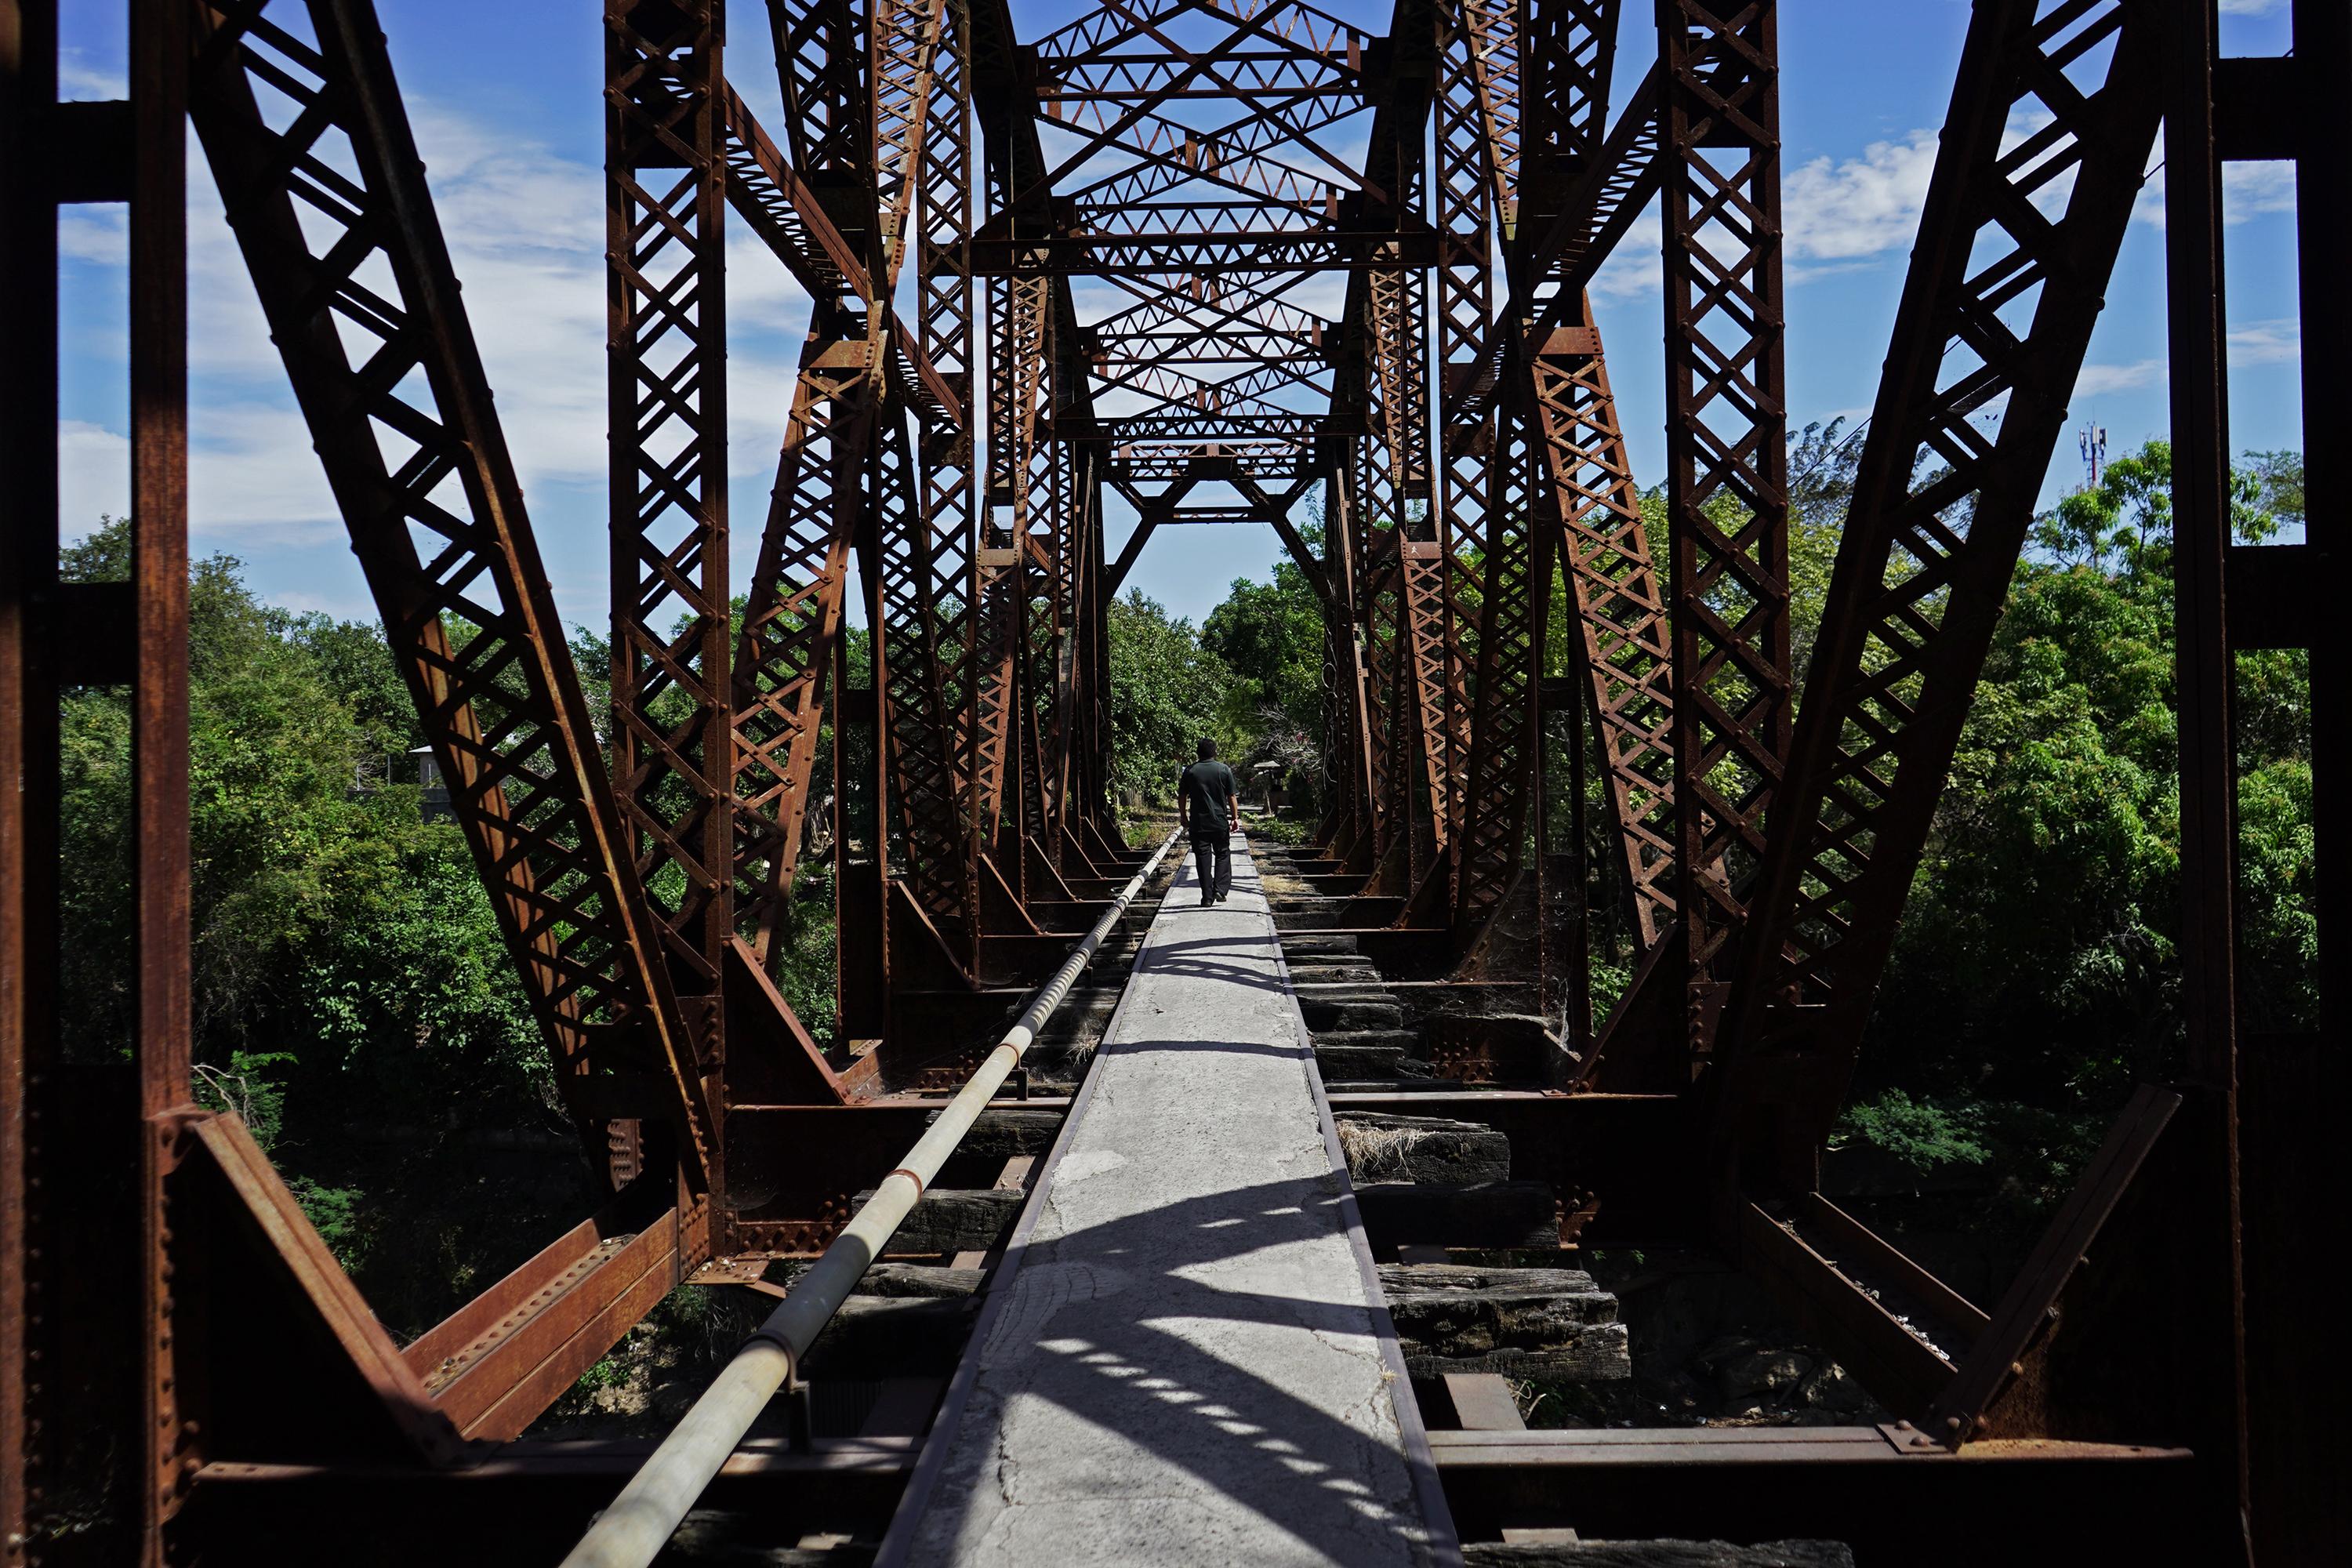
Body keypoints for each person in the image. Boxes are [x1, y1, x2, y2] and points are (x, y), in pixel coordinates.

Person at [1177, 737, 1240, 906]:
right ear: (1215, 752)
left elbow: (1182, 795)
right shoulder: (1223, 769)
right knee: (1223, 853)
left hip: (1198, 824)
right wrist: (1235, 818)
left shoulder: (1190, 771)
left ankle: (1206, 897)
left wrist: (1183, 815)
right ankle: (1219, 889)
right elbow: (1231, 796)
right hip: (1219, 822)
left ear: (1198, 752)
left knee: (1202, 858)